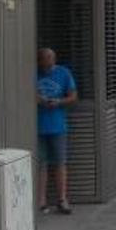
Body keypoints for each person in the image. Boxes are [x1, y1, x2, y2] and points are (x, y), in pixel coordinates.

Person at [36, 48, 78, 215]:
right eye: (45, 58)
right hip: (37, 126)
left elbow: (73, 96)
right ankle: (41, 201)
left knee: (60, 162)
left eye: (51, 57)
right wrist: (37, 98)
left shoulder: (63, 73)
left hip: (57, 125)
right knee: (41, 164)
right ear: (39, 60)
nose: (49, 61)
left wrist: (59, 101)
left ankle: (62, 199)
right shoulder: (33, 74)